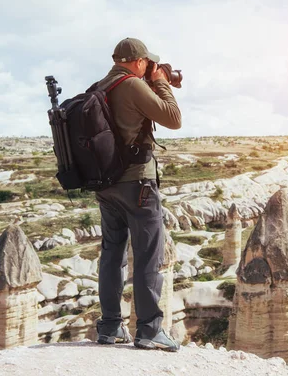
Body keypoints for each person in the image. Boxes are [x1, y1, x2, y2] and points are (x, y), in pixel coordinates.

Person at [94, 37, 181, 352]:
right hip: (137, 185)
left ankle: (110, 327)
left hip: (106, 185)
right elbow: (173, 118)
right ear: (137, 61)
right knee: (148, 255)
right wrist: (160, 84)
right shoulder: (132, 85)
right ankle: (148, 330)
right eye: (148, 63)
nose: (150, 68)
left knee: (112, 255)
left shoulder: (101, 86)